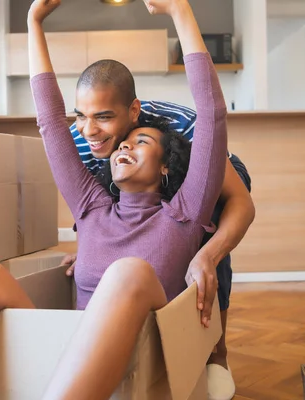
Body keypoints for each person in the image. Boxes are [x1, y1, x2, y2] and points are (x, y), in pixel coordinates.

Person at [0, 0, 229, 398]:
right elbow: (50, 121)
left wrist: (180, 11)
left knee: (129, 271)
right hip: (68, 352)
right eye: (123, 145)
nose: (123, 147)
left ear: (166, 166)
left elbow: (212, 113)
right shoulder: (91, 205)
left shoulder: (184, 214)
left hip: (138, 355)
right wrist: (34, 21)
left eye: (142, 141)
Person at [61, 14, 254, 400]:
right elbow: (95, 203)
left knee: (201, 242)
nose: (90, 130)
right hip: (144, 185)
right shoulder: (83, 138)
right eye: (82, 116)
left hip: (213, 182)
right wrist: (92, 250)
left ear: (132, 112)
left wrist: (209, 255)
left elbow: (239, 204)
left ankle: (216, 352)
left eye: (103, 118)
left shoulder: (178, 127)